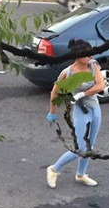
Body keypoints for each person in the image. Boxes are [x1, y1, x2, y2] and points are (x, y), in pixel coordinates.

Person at [45, 39, 105, 189]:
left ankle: (81, 174)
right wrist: (52, 112)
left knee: (90, 145)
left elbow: (100, 85)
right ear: (78, 56)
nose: (89, 57)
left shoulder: (93, 65)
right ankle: (54, 169)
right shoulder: (67, 73)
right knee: (80, 148)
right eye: (86, 55)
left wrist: (83, 93)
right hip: (79, 111)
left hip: (94, 108)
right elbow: (55, 92)